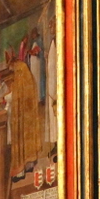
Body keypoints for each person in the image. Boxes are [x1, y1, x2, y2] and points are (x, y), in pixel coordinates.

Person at [7, 53, 42, 182]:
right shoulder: (24, 69)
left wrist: (5, 98)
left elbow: (16, 95)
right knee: (28, 137)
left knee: (20, 139)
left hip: (22, 113)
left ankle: (20, 172)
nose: (10, 70)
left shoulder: (19, 72)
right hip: (29, 112)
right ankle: (30, 165)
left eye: (9, 67)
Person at [44, 18, 57, 158]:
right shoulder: (53, 41)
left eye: (51, 25)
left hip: (57, 87)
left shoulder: (59, 41)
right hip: (51, 86)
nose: (50, 28)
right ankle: (56, 143)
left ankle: (61, 144)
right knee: (52, 117)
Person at [27, 26, 45, 102]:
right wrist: (31, 52)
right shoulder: (33, 41)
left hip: (37, 63)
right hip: (33, 63)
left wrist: (36, 53)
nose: (33, 36)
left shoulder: (39, 40)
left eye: (33, 34)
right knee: (34, 79)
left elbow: (40, 51)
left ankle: (40, 97)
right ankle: (36, 97)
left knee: (38, 79)